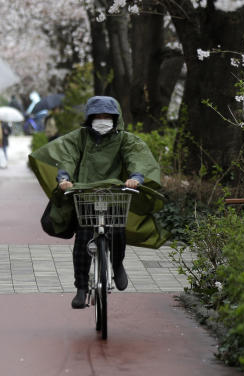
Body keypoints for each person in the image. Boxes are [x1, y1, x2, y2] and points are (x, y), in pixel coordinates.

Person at [31, 96, 161, 309]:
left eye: (107, 116)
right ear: (90, 118)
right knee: (83, 237)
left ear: (115, 118)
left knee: (118, 231)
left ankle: (117, 265)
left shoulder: (125, 139)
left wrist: (136, 177)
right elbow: (68, 156)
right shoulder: (80, 137)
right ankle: (81, 287)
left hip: (114, 194)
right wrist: (64, 178)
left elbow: (136, 156)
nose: (102, 120)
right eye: (97, 116)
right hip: (85, 194)